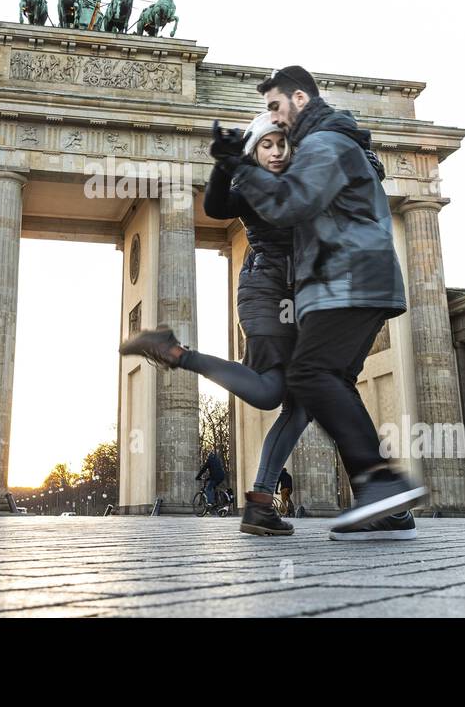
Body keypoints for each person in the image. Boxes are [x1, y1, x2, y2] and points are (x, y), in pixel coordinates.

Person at [122, 107, 415, 540]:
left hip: (304, 295)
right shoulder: (257, 183)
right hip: (266, 290)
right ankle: (177, 353)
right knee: (272, 391)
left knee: (302, 402)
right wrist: (227, 164)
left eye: (283, 144)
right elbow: (219, 205)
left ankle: (262, 504)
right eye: (266, 144)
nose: (277, 151)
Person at [231, 65, 426, 537]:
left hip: (343, 286)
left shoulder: (322, 150)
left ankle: (379, 491)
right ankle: (382, 497)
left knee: (311, 386)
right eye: (268, 144)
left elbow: (299, 206)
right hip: (313, 292)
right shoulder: (313, 157)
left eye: (279, 133)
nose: (277, 148)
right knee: (317, 390)